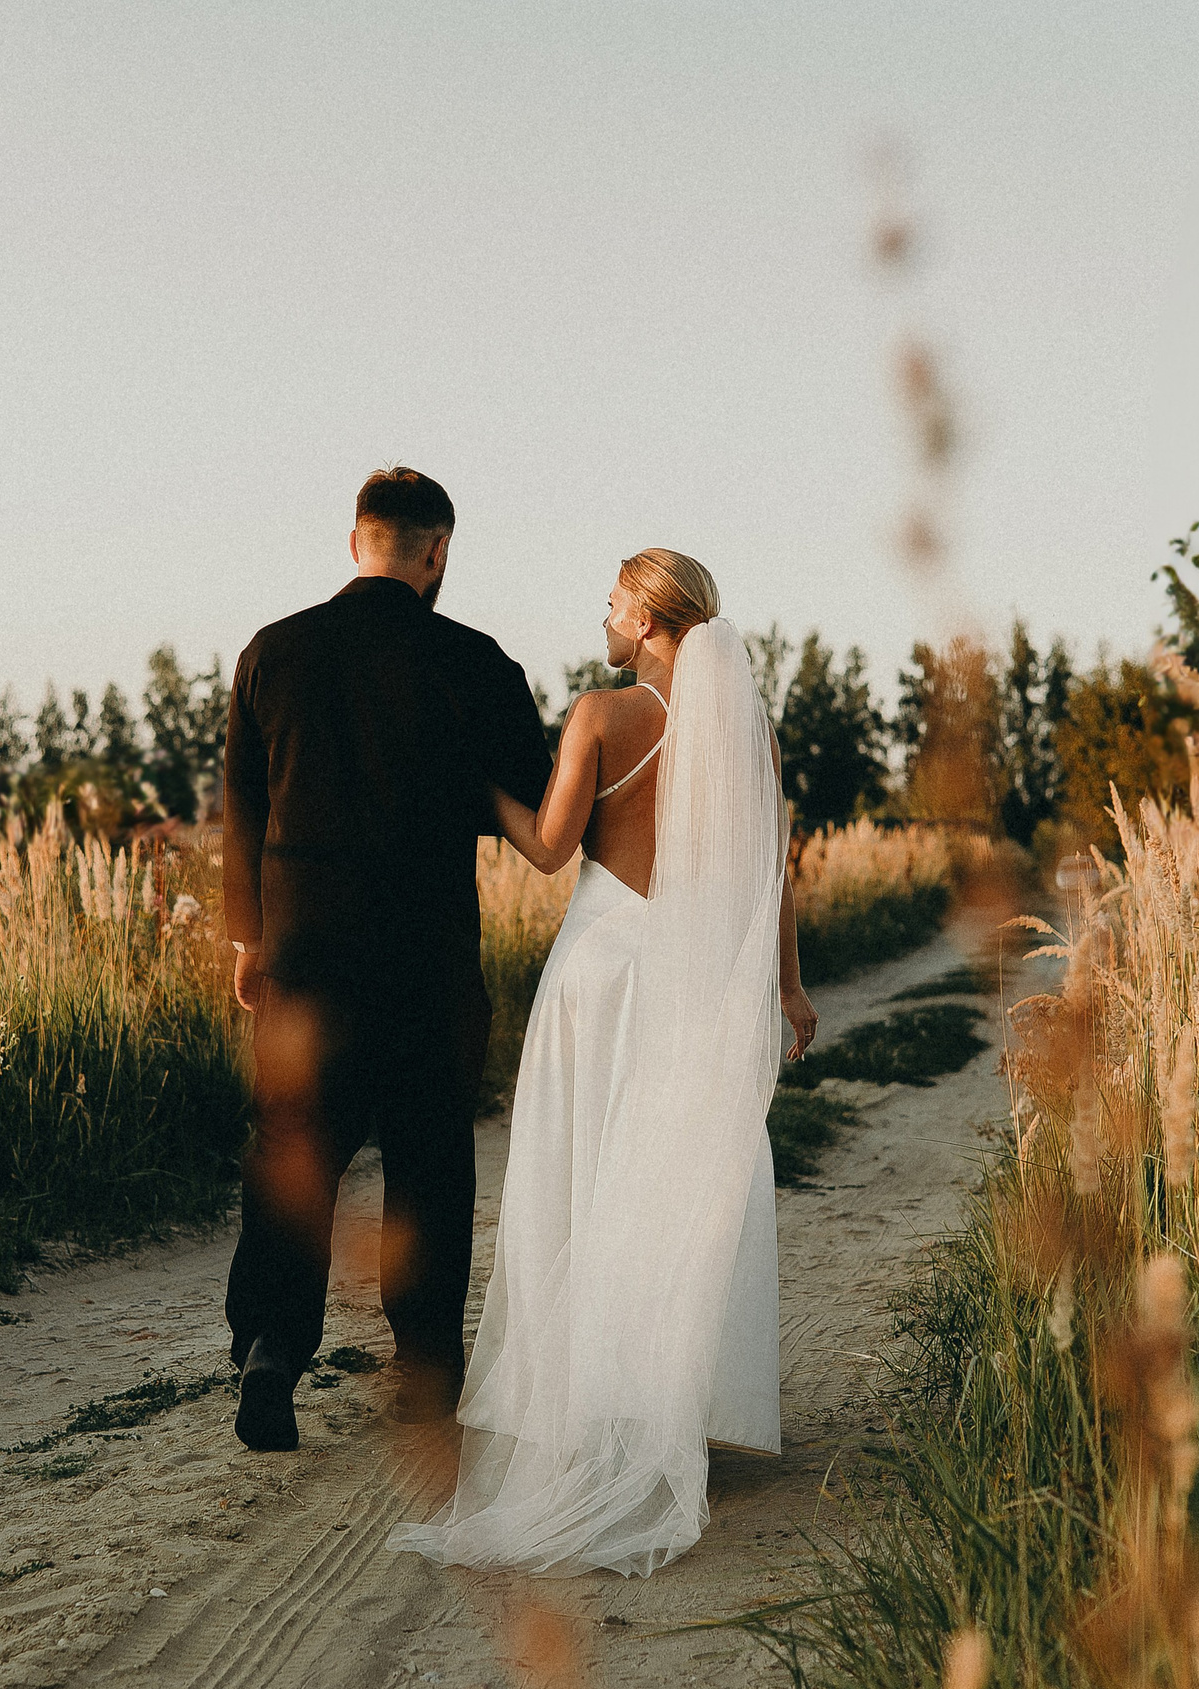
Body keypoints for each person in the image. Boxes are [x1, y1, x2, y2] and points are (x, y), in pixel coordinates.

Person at [387, 549, 817, 1576]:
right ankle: (683, 1398)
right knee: (678, 1182)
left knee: (582, 1177)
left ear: (649, 620)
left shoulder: (597, 716)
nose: (604, 614)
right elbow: (770, 875)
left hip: (601, 967)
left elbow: (545, 846)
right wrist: (788, 988)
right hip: (693, 978)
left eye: (616, 601)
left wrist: (479, 788)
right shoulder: (741, 728)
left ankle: (587, 1402)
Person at [221, 467, 553, 1452]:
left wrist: (248, 940)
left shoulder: (272, 653)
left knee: (293, 1149)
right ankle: (425, 1375)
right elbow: (539, 806)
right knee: (429, 1161)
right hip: (429, 958)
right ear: (437, 550)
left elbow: (243, 807)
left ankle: (274, 1352)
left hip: (305, 952)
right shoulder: (475, 661)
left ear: (354, 540)